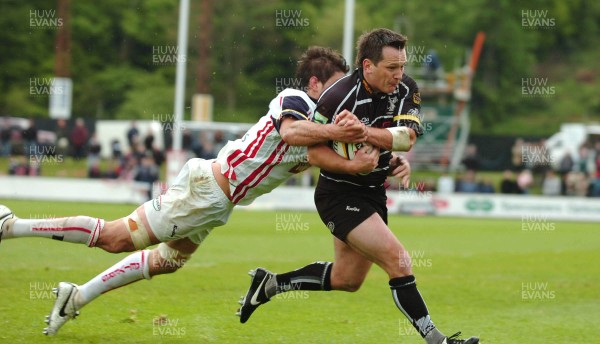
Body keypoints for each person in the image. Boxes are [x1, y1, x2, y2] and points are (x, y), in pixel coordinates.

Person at [0, 46, 380, 336]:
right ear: (315, 83)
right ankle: (11, 225)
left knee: (167, 262)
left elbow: (329, 155)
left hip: (216, 201)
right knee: (115, 237)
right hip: (208, 191)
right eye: (336, 86)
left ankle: (77, 295)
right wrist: (338, 134)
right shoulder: (295, 101)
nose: (341, 96)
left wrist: (380, 160)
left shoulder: (321, 125)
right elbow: (291, 133)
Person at [236, 28, 479, 344]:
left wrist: (376, 148)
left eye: (402, 66)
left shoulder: (407, 89)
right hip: (338, 194)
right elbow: (314, 152)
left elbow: (406, 138)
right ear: (367, 66)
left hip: (373, 191)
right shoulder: (336, 97)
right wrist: (352, 160)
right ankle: (438, 340)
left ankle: (270, 284)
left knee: (347, 279)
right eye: (391, 68)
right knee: (399, 260)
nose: (399, 74)